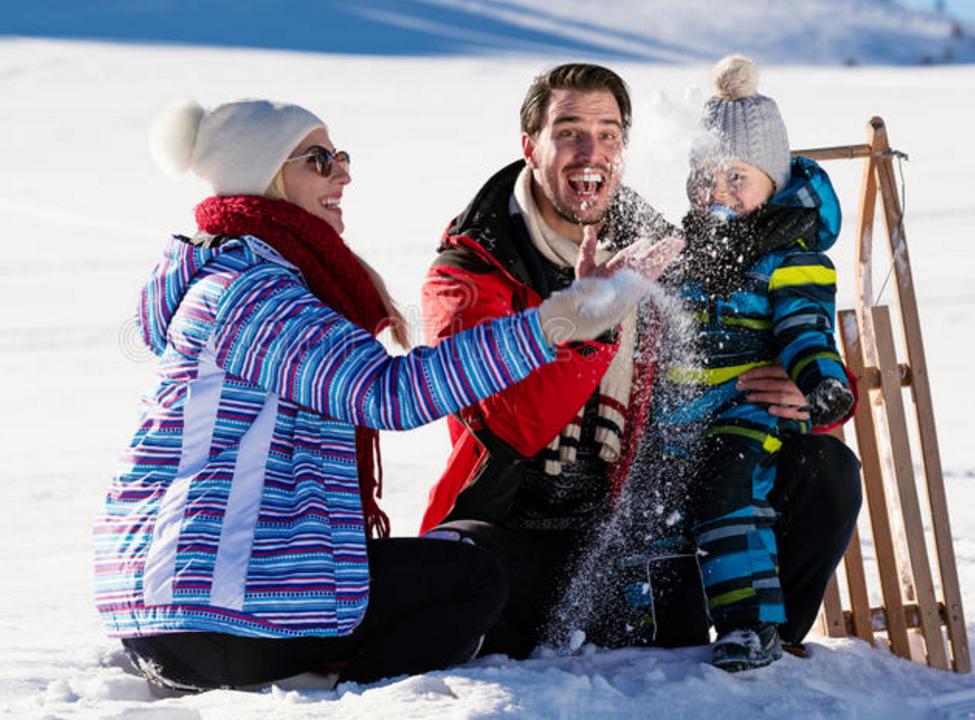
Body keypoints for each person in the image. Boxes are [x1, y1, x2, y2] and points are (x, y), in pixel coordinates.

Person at [92, 97, 671, 691]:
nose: (344, 173)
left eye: (340, 156)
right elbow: (389, 393)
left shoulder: (247, 275)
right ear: (264, 175)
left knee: (473, 579)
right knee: (471, 582)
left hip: (197, 597)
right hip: (216, 609)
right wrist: (561, 320)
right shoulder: (250, 295)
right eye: (319, 160)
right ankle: (358, 701)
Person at [418, 62, 862, 661]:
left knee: (826, 468)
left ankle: (762, 637)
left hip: (642, 527)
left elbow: (736, 339)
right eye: (569, 130)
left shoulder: (656, 244)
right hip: (525, 526)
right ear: (531, 146)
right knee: (468, 572)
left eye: (607, 133)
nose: (590, 151)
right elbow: (509, 423)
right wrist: (585, 323)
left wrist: (812, 392)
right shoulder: (474, 267)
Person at [627, 53, 856, 672]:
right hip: (677, 420)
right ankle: (640, 620)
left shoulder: (789, 257)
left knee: (726, 484)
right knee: (643, 498)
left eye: (737, 178)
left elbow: (806, 329)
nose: (718, 192)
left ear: (772, 182)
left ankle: (751, 626)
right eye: (705, 178)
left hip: (745, 411)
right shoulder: (681, 250)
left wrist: (823, 383)